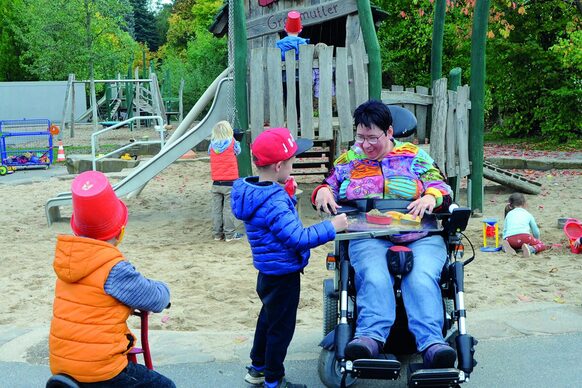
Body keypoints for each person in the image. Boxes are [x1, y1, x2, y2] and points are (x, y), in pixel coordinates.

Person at [311, 99, 457, 368]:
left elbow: (441, 185)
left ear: (389, 132)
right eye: (360, 137)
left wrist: (432, 197)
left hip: (420, 234)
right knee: (375, 275)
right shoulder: (349, 160)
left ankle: (432, 344)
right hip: (368, 234)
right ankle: (370, 338)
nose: (365, 145)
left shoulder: (414, 156)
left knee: (422, 277)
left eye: (372, 137)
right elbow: (327, 184)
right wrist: (322, 191)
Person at [231, 127, 348, 388]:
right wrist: (332, 226)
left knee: (267, 320)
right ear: (279, 165)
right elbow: (298, 238)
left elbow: (276, 225)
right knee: (280, 329)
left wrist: (289, 198)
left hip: (267, 270)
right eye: (292, 162)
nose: (293, 166)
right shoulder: (273, 201)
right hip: (283, 273)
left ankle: (258, 367)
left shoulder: (252, 189)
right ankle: (274, 380)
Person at [49, 170, 174, 388]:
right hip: (99, 370)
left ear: (76, 228)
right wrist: (163, 289)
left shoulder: (67, 262)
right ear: (121, 232)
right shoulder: (114, 269)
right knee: (165, 386)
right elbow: (155, 299)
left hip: (62, 366)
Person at [209, 120, 243, 242]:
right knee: (228, 210)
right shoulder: (233, 142)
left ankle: (217, 234)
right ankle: (229, 234)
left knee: (216, 209)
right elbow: (238, 152)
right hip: (230, 182)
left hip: (216, 182)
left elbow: (210, 153)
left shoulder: (212, 144)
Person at [501, 192, 548, 257]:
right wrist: (537, 239)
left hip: (510, 239)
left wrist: (504, 239)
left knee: (507, 244)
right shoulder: (528, 214)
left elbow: (505, 230)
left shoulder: (509, 214)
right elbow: (535, 230)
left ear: (511, 205)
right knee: (543, 245)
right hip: (525, 238)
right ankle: (531, 249)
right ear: (524, 204)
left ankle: (507, 247)